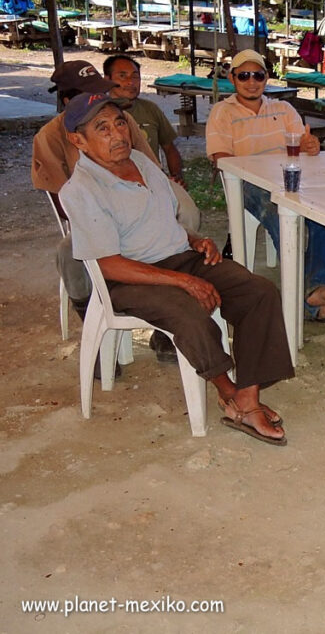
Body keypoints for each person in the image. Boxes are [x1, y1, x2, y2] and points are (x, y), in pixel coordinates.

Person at [59, 92, 293, 446]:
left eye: (119, 122)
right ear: (79, 140)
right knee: (188, 311)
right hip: (128, 277)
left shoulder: (140, 159)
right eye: (102, 128)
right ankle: (230, 393)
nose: (117, 134)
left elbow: (161, 218)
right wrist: (184, 281)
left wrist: (196, 239)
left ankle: (247, 396)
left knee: (259, 292)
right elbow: (108, 263)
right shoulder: (80, 190)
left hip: (179, 257)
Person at [32, 59, 199, 364]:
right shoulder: (50, 137)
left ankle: (166, 327)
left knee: (187, 212)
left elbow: (150, 170)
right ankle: (94, 328)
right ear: (69, 102)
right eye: (91, 95)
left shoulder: (123, 121)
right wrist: (106, 223)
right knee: (69, 253)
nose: (103, 101)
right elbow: (62, 200)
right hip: (91, 213)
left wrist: (155, 213)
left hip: (136, 200)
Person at [206, 49, 325, 324]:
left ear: (266, 78)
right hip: (247, 183)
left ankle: (317, 289)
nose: (251, 81)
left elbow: (305, 146)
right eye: (244, 75)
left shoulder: (282, 109)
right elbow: (220, 159)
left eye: (257, 75)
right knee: (282, 216)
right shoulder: (222, 112)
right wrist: (257, 169)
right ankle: (309, 297)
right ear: (233, 79)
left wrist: (311, 147)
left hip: (288, 179)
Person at [103, 54, 184, 183]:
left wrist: (176, 177)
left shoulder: (150, 109)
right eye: (122, 76)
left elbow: (169, 148)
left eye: (135, 76)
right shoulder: (98, 113)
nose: (130, 82)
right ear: (107, 80)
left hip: (152, 182)